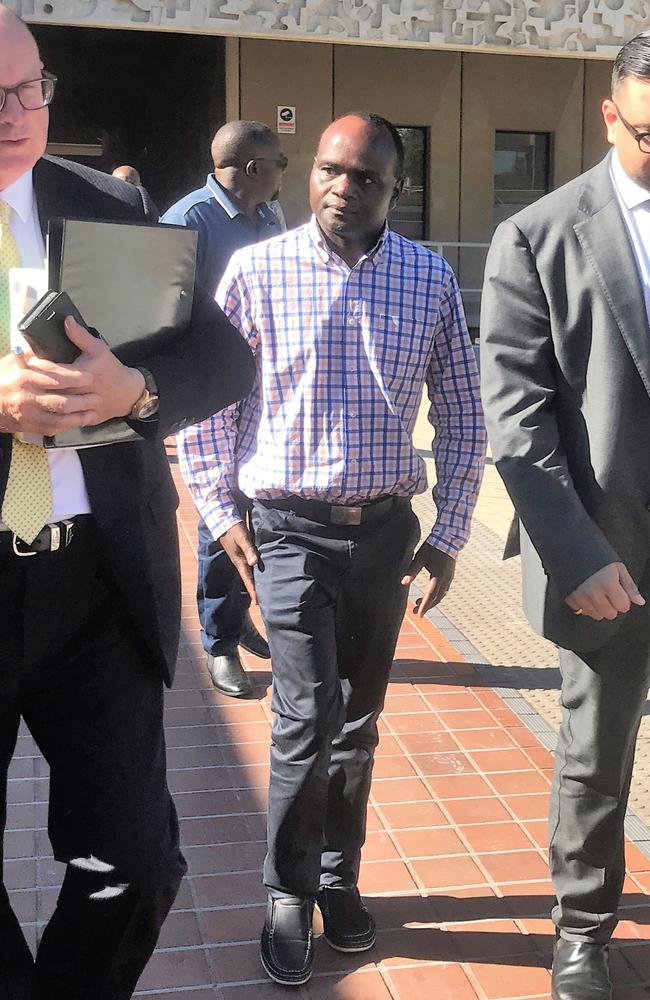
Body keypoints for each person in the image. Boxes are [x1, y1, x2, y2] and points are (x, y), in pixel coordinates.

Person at [179, 112, 485, 986]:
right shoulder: (256, 271)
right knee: (305, 718)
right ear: (310, 172)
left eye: (365, 178)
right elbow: (209, 406)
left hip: (385, 534)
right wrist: (220, 513)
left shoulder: (429, 280)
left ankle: (338, 878)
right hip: (287, 531)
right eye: (329, 171)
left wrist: (450, 534)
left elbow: (466, 417)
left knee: (357, 723)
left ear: (398, 189)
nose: (342, 190)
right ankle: (285, 890)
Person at [0, 9, 255, 1000]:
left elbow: (221, 357)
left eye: (32, 87)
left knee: (139, 864)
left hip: (93, 588)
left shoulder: (107, 204)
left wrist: (135, 394)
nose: (19, 113)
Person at [480, 30, 650, 1000]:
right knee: (594, 758)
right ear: (607, 115)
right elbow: (518, 421)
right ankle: (582, 930)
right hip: (601, 556)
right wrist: (575, 551)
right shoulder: (536, 237)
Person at [162, 121, 286, 697]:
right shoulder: (188, 222)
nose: (287, 172)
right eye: (279, 163)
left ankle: (237, 622)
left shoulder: (270, 218)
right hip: (210, 391)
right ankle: (218, 642)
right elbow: (161, 311)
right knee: (221, 512)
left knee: (257, 506)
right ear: (253, 169)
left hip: (265, 388)